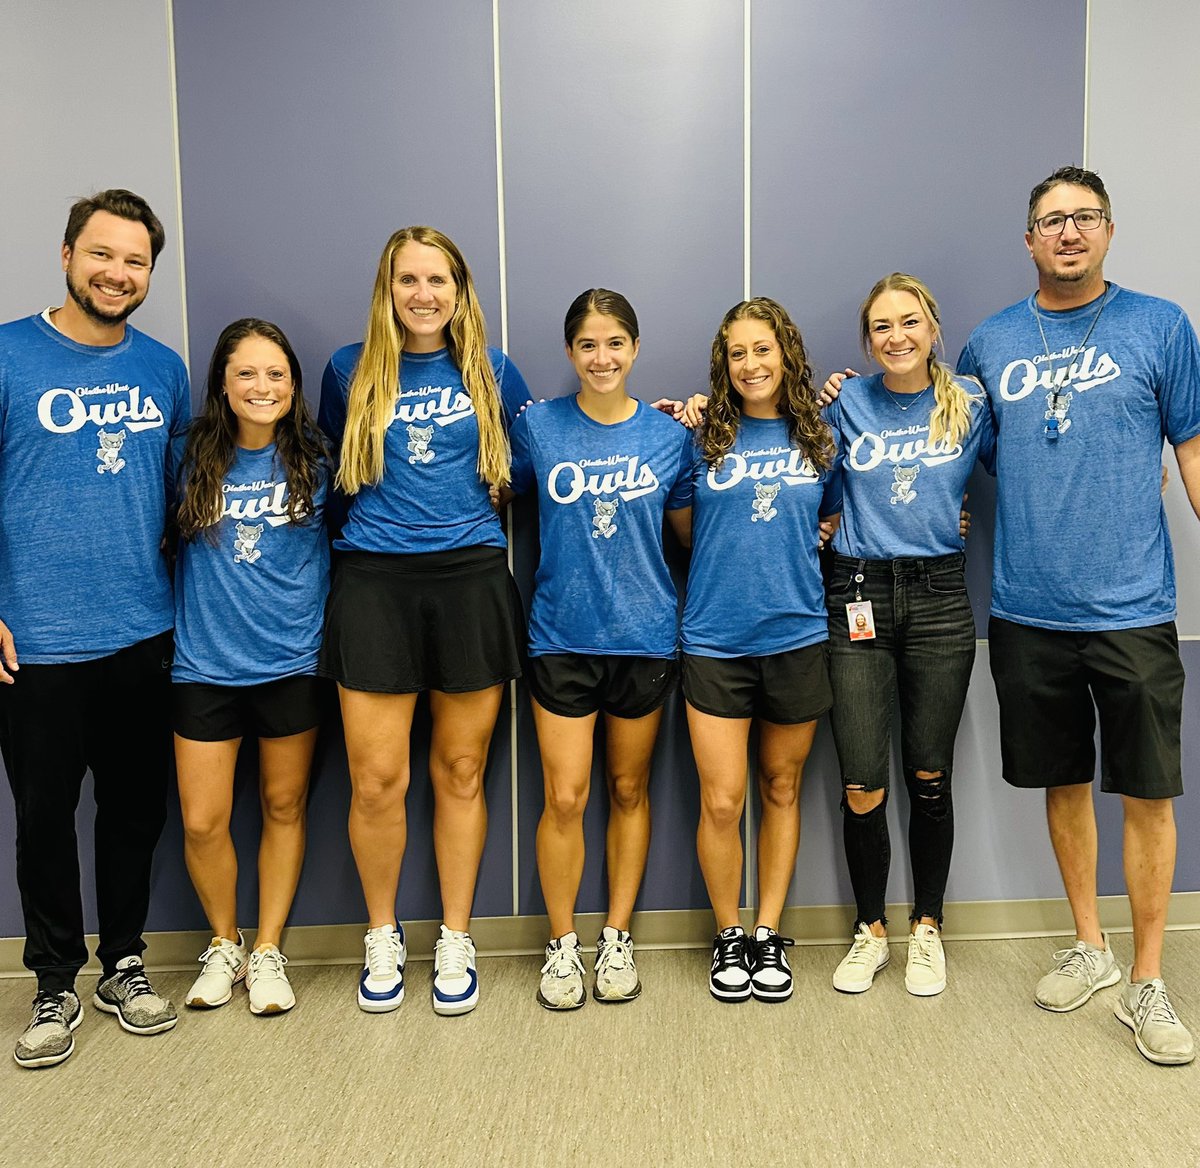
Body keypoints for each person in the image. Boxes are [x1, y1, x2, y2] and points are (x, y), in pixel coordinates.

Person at [957, 165, 1200, 1065]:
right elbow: (949, 457)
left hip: (1133, 607)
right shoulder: (987, 344)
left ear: (1108, 232)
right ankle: (1089, 947)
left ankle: (1148, 982)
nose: (1069, 232)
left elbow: (1193, 452)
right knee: (1061, 781)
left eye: (1085, 218)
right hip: (1027, 609)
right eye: (1052, 220)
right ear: (1028, 239)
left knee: (1147, 792)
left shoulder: (1161, 326)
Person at [319, 226, 529, 1016]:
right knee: (376, 780)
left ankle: (455, 935)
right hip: (373, 582)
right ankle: (383, 933)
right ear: (388, 289)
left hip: (471, 578)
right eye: (409, 280)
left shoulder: (492, 369)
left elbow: (531, 457)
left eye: (437, 279)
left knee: (461, 773)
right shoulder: (350, 370)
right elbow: (336, 483)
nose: (424, 294)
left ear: (459, 288)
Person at [0, 190, 190, 1067]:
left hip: (144, 632)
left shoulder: (163, 369)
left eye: (136, 261)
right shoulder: (8, 355)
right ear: (68, 255)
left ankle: (123, 964)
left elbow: (182, 498)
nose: (118, 273)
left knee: (132, 814)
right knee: (43, 819)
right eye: (102, 255)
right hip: (35, 643)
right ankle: (51, 983)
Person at [504, 289, 692, 1009]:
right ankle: (561, 945)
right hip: (560, 639)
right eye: (588, 345)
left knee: (627, 791)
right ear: (570, 353)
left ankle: (616, 938)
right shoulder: (539, 430)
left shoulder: (668, 437)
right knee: (565, 795)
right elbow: (492, 491)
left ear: (635, 349)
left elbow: (686, 536)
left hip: (644, 639)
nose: (602, 357)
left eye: (615, 343)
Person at [821, 274, 994, 998]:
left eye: (910, 322)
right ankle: (871, 931)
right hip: (856, 594)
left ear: (933, 328)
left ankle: (927, 926)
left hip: (939, 602)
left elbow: (1032, 468)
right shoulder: (845, 402)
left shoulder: (972, 404)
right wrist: (826, 525)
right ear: (868, 341)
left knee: (928, 775)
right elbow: (802, 479)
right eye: (882, 327)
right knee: (861, 779)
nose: (897, 337)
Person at [681, 297, 838, 1003]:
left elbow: (836, 515)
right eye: (738, 353)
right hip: (715, 639)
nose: (751, 364)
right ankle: (728, 934)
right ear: (725, 363)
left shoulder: (820, 438)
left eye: (763, 350)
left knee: (781, 789)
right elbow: (684, 531)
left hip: (797, 636)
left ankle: (768, 933)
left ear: (787, 355)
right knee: (723, 800)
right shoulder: (698, 436)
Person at [173, 319, 330, 1016]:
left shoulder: (319, 459)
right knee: (204, 821)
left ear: (293, 386)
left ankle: (267, 949)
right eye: (247, 373)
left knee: (282, 806)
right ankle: (224, 942)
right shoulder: (184, 457)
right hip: (203, 666)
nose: (262, 387)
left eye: (276, 375)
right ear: (222, 383)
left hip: (292, 663)